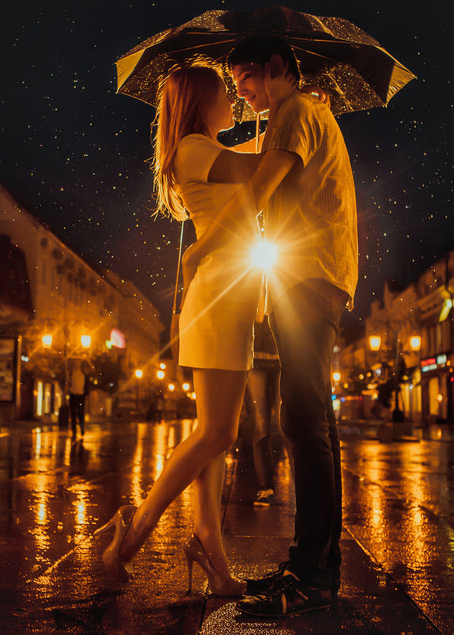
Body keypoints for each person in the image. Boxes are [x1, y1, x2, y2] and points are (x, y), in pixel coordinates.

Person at [182, 34, 358, 616]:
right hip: (313, 275)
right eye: (235, 85)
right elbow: (270, 173)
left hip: (309, 277)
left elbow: (260, 186)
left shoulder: (297, 113)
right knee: (309, 420)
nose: (242, 92)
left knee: (305, 420)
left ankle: (311, 575)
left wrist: (202, 245)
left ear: (279, 67)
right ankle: (317, 568)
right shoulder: (299, 114)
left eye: (249, 78)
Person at [99, 65, 263, 597]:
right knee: (219, 433)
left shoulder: (203, 148)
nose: (234, 103)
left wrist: (289, 117)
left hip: (229, 294)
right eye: (225, 94)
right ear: (200, 102)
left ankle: (210, 549)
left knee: (214, 434)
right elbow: (263, 170)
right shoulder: (194, 148)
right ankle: (132, 536)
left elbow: (253, 155)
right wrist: (292, 119)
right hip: (219, 298)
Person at [245, 317, 281, 507]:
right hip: (255, 357)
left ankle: (303, 488)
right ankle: (265, 487)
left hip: (284, 356)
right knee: (261, 425)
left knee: (285, 424)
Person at [68, 360, 87, 438]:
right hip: (73, 395)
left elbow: (86, 385)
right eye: (76, 364)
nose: (77, 365)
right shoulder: (71, 373)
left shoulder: (83, 374)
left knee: (80, 413)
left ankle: (82, 429)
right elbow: (68, 383)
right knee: (73, 414)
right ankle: (74, 430)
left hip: (80, 396)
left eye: (78, 364)